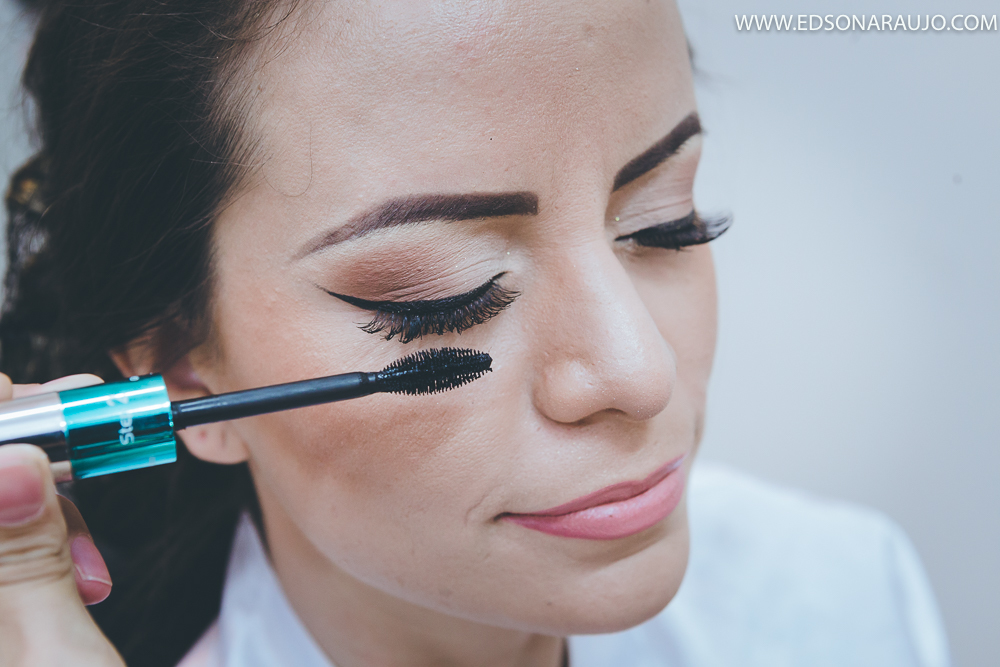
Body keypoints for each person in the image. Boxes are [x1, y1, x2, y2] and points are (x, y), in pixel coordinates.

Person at [0, 1, 950, 666]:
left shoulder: (839, 601)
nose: (637, 370)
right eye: (442, 297)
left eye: (666, 221)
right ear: (179, 372)